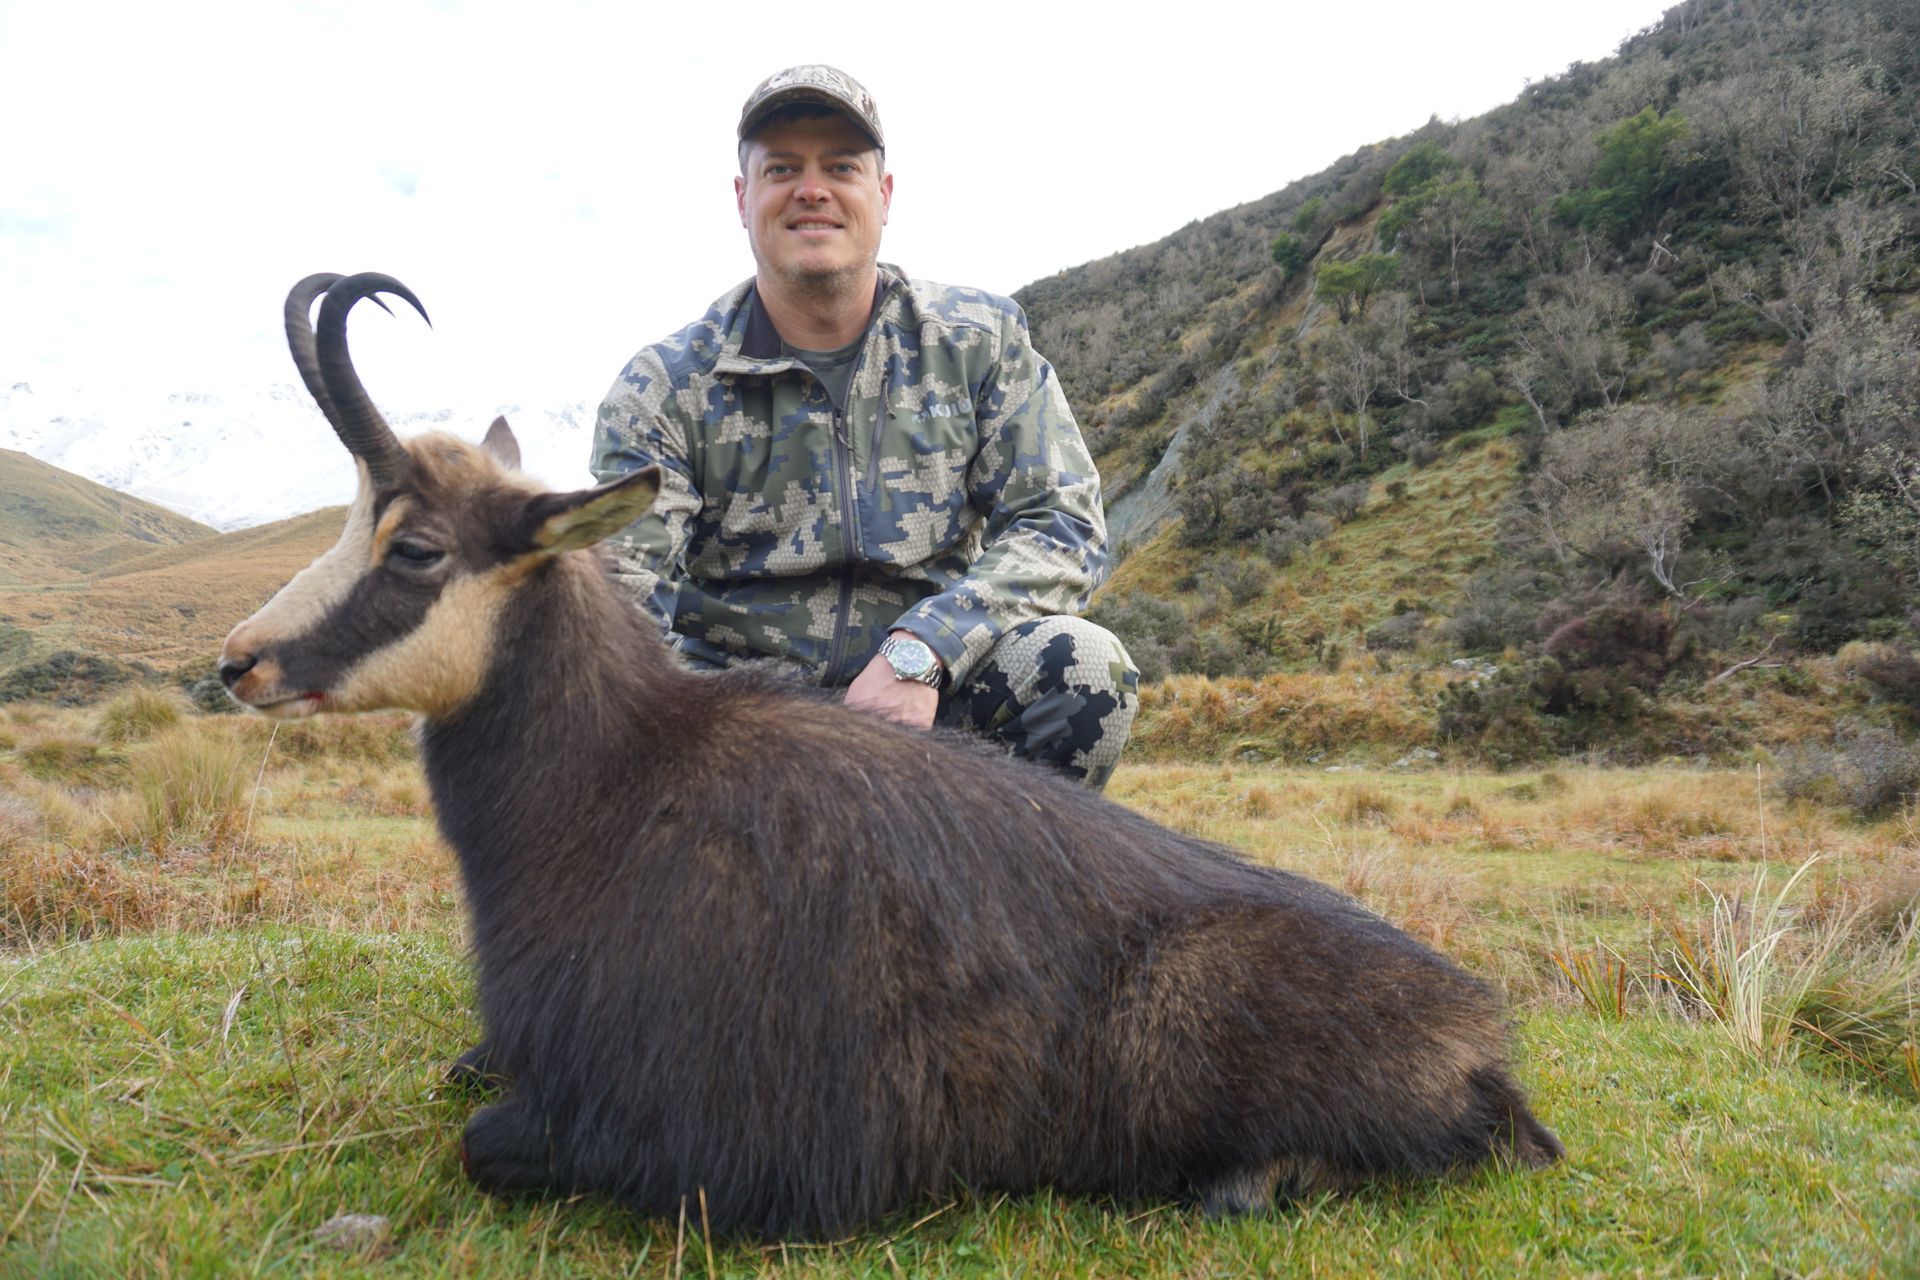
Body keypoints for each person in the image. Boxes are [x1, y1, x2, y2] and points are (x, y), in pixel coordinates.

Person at [590, 65, 1137, 789]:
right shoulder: (662, 388)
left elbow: (1061, 523)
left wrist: (925, 649)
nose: (811, 189)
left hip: (930, 702)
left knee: (1086, 666)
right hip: (739, 725)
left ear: (883, 195)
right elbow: (626, 597)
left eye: (840, 167)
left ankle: (983, 897)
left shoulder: (978, 342)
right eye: (781, 168)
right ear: (742, 197)